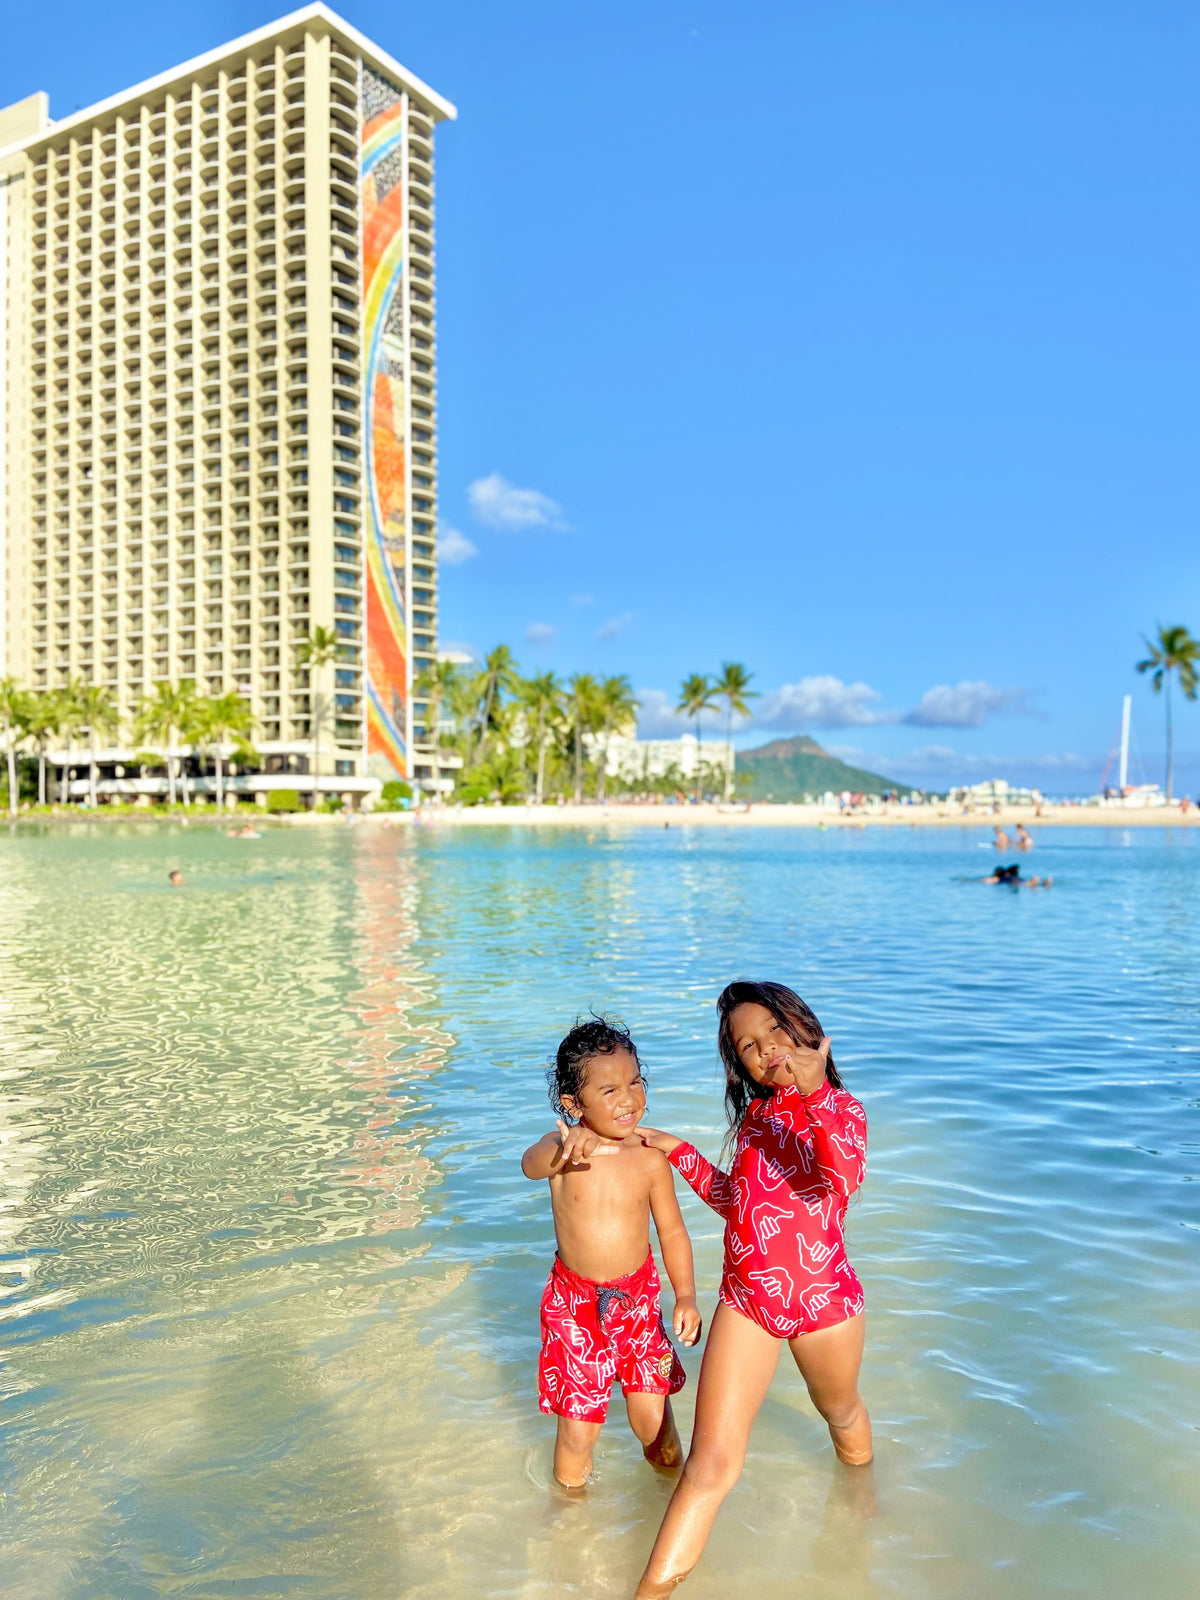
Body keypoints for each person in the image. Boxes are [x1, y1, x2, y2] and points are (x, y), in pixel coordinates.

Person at [633, 981, 871, 1597]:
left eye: (775, 1031)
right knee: (711, 1465)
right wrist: (677, 1150)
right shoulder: (757, 1120)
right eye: (747, 1045)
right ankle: (651, 1591)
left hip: (823, 1303)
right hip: (748, 1304)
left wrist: (815, 1090)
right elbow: (741, 1207)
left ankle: (863, 1508)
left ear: (806, 1029)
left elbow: (840, 1177)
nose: (765, 1050)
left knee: (840, 1412)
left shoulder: (841, 1109)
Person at [521, 1017, 702, 1492]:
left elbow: (673, 1232)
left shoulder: (648, 1156)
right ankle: (569, 1519)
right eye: (609, 1090)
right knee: (579, 1428)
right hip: (574, 1306)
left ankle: (671, 1491)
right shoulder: (561, 1150)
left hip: (637, 1300)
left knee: (650, 1420)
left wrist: (685, 1296)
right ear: (572, 1104)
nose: (628, 1098)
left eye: (635, 1082)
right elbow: (529, 1166)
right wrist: (561, 1147)